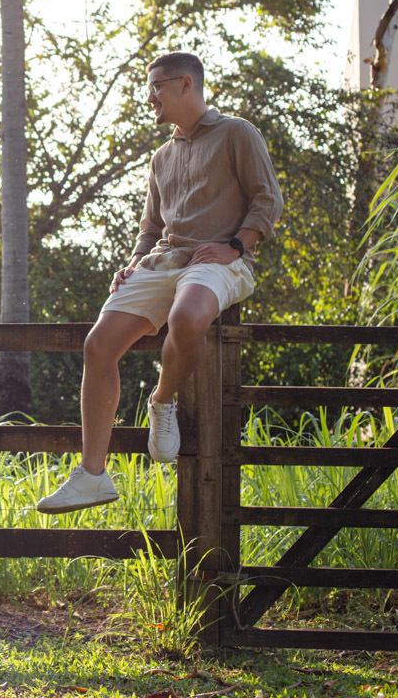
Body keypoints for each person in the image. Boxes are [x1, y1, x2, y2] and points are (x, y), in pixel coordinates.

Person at [36, 52, 283, 514]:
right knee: (98, 344)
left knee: (187, 317)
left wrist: (235, 244)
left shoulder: (237, 132)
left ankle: (161, 399)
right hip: (162, 260)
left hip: (217, 260)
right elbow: (151, 227)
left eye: (157, 88)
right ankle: (92, 476)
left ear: (186, 84)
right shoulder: (161, 157)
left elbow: (268, 197)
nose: (151, 98)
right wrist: (132, 263)